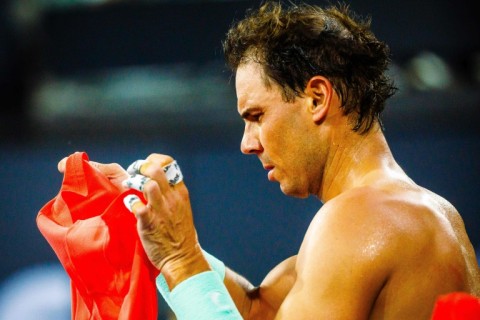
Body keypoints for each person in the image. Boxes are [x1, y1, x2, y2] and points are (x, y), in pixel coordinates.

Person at [58, 1, 480, 319]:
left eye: (256, 116)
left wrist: (180, 259)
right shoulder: (410, 214)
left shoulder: (361, 222)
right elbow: (260, 309)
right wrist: (158, 234)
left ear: (317, 98)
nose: (247, 143)